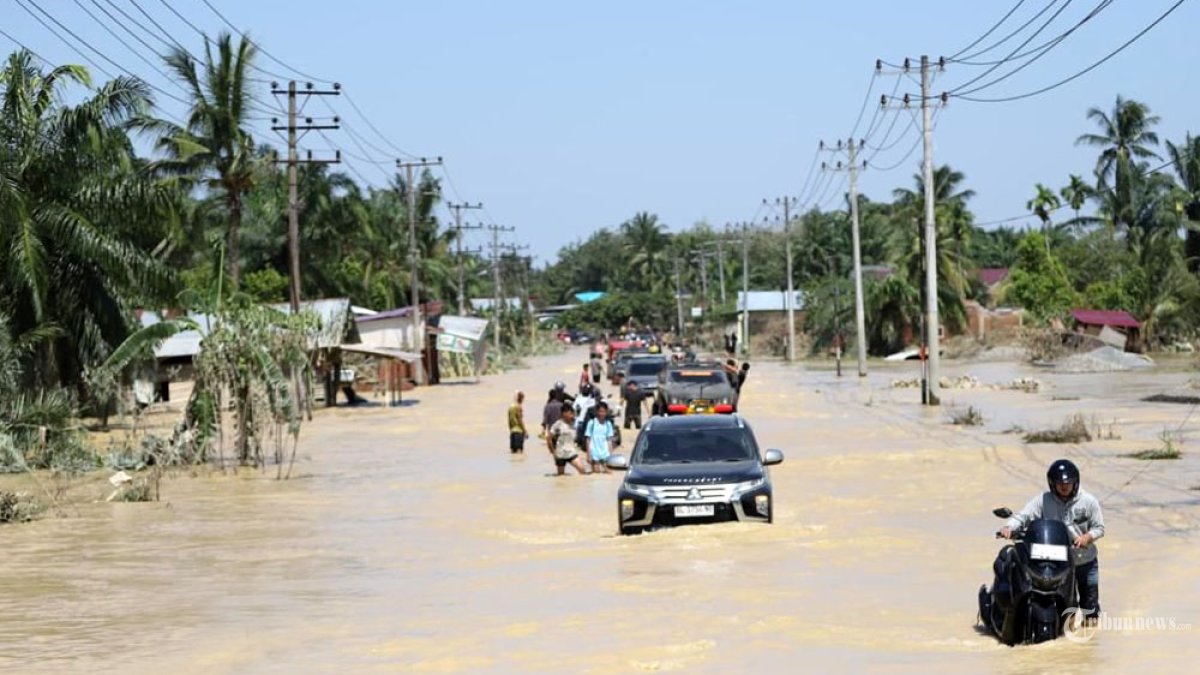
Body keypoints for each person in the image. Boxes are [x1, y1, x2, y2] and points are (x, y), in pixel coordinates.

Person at [999, 459, 1105, 618]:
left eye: (1068, 483)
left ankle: (1089, 639)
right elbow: (1024, 516)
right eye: (1059, 483)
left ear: (1075, 482)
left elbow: (1099, 528)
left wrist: (1087, 537)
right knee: (1065, 607)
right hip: (1058, 563)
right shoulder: (1043, 500)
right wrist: (1009, 527)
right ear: (1052, 483)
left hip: (1085, 561)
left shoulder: (1089, 501)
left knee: (1090, 611)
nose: (1064, 487)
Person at [546, 405, 590, 475]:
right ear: (564, 414)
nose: (572, 415)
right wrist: (553, 452)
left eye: (572, 413)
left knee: (582, 471)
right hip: (560, 454)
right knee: (561, 476)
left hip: (571, 453)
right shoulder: (558, 424)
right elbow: (549, 438)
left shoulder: (574, 423)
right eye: (570, 413)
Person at [584, 402, 618, 474]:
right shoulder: (591, 423)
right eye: (600, 411)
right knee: (596, 474)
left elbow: (609, 440)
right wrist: (588, 454)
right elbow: (588, 439)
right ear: (597, 412)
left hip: (605, 452)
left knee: (609, 473)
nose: (602, 413)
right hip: (594, 452)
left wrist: (611, 454)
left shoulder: (608, 424)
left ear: (606, 412)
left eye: (604, 411)